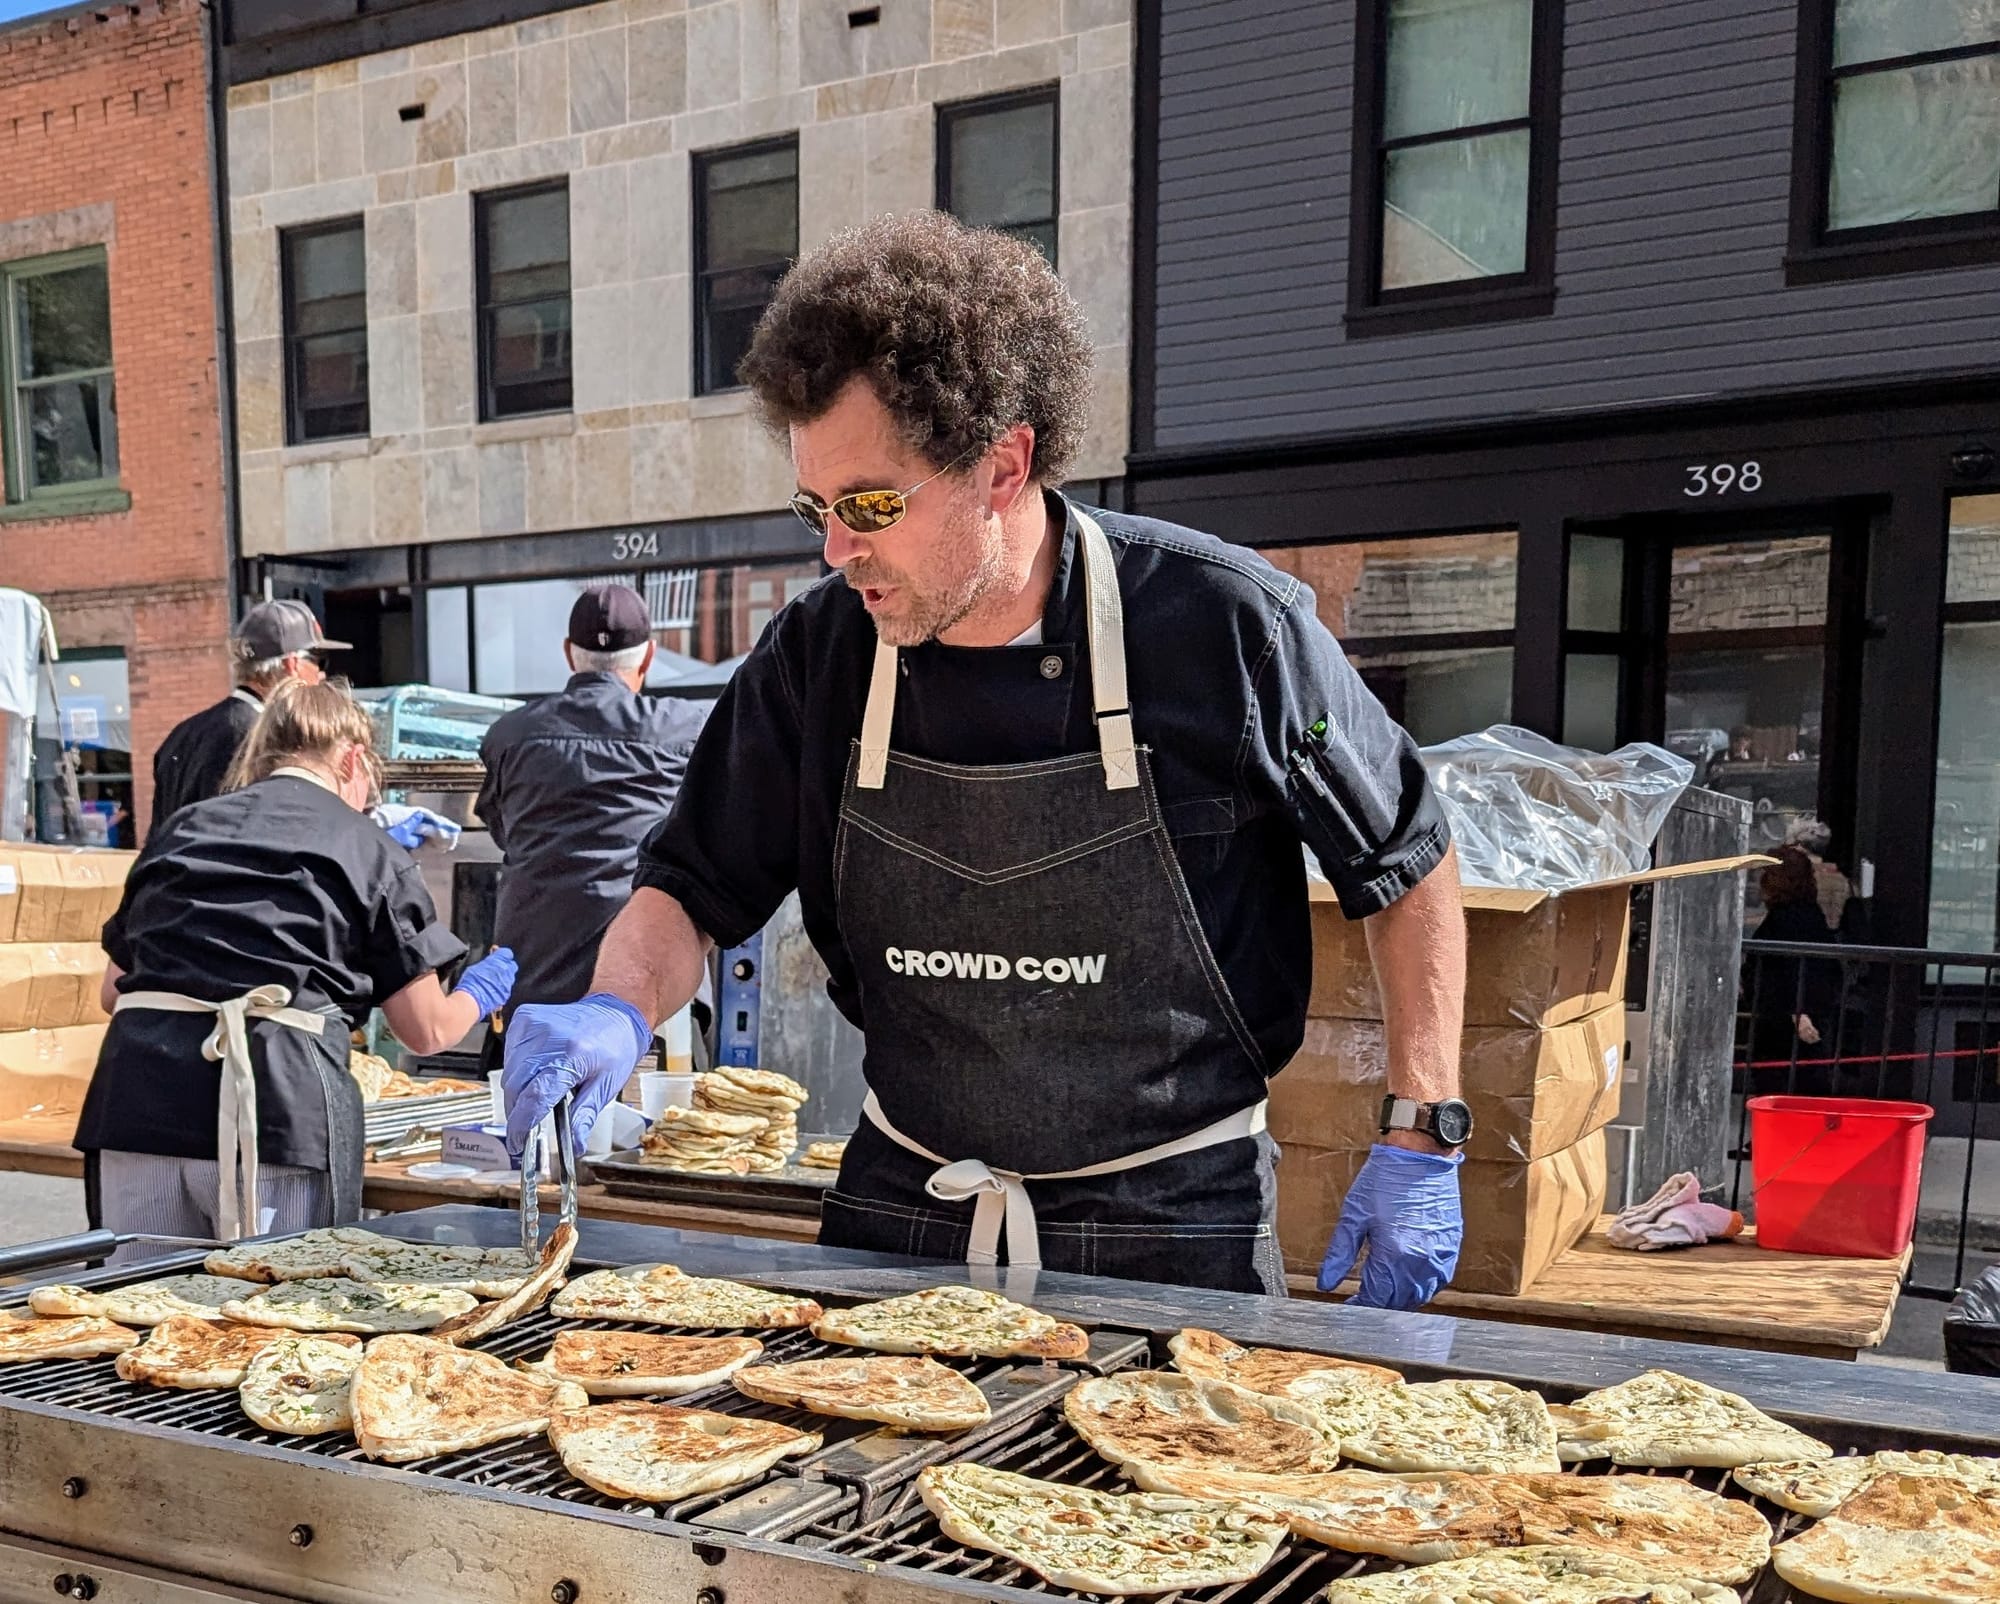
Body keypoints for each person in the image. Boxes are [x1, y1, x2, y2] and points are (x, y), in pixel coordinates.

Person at [502, 211, 1469, 1306]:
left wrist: (1422, 1125)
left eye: (872, 504)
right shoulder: (818, 657)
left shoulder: (1225, 628)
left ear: (1003, 464)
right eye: (816, 507)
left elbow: (1405, 858)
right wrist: (615, 1007)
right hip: (906, 1209)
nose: (837, 549)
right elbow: (690, 886)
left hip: (1172, 1223)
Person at [77, 679, 517, 1256]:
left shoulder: (182, 829)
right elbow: (427, 1029)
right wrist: (481, 990)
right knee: (278, 1301)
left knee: (135, 1299)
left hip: (136, 1106)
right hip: (276, 1115)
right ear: (352, 759)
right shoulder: (366, 847)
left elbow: (115, 993)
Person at [474, 585, 710, 1070]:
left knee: (526, 1114)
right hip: (646, 996)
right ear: (649, 656)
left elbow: (503, 832)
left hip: (533, 987)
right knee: (664, 1116)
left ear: (569, 654)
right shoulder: (687, 729)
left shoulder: (509, 735)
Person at [149, 599, 349, 833]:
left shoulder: (183, 734)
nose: (322, 675)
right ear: (292, 664)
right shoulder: (269, 739)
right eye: (319, 660)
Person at [1744, 844, 1844, 1096]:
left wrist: (1798, 1010)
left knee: (1784, 1087)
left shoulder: (1790, 919)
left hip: (1786, 1023)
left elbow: (1797, 970)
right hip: (1787, 1018)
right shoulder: (1806, 915)